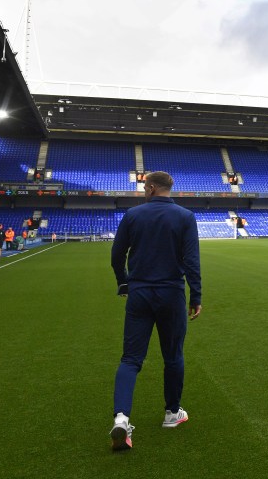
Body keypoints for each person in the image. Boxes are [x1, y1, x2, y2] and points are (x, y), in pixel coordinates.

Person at [109, 171, 202, 451]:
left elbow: (116, 255)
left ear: (150, 188)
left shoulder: (133, 216)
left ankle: (122, 419)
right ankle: (172, 413)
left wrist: (123, 282)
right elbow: (192, 261)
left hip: (139, 294)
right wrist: (195, 295)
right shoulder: (185, 217)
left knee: (130, 359)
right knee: (173, 356)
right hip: (171, 294)